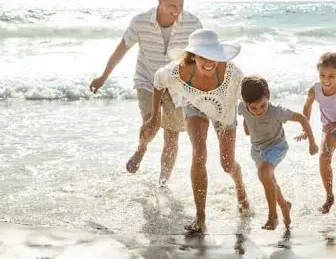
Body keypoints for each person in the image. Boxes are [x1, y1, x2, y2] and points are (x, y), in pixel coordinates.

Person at [89, 0, 202, 186]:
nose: (177, 11)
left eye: (181, 5)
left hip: (178, 86)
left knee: (172, 136)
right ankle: (142, 148)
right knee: (152, 124)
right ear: (159, 1)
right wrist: (103, 77)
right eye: (171, 6)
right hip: (147, 80)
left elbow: (204, 55)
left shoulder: (193, 23)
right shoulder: (140, 22)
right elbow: (122, 48)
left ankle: (163, 182)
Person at [141, 29, 250, 233]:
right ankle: (200, 218)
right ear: (193, 56)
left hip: (224, 110)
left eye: (213, 57)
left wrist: (248, 121)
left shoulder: (233, 74)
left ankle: (240, 187)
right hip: (195, 106)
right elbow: (157, 82)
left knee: (227, 164)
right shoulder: (177, 72)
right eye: (203, 57)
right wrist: (154, 116)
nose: (209, 62)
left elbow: (246, 97)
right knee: (199, 153)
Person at [239, 76, 318, 231]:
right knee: (269, 181)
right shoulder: (242, 107)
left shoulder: (277, 112)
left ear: (268, 97)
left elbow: (302, 118)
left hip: (277, 146)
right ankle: (285, 206)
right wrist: (246, 126)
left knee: (263, 173)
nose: (259, 111)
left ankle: (272, 216)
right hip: (257, 150)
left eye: (262, 106)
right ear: (246, 103)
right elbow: (244, 115)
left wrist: (312, 142)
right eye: (253, 108)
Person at [295, 52, 336, 214]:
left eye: (332, 76)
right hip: (330, 130)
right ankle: (329, 196)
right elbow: (307, 106)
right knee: (323, 156)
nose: (326, 80)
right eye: (322, 75)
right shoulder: (315, 90)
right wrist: (305, 128)